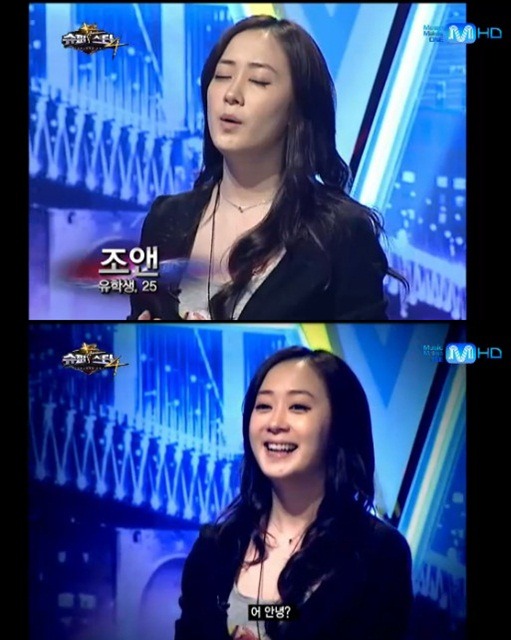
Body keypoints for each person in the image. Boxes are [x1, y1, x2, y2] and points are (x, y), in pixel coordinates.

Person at [128, 15, 406, 322]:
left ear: (297, 107)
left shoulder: (340, 232)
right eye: (222, 76)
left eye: (259, 81)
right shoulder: (165, 218)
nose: (231, 94)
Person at [174, 346, 414, 640]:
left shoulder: (377, 555)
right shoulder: (215, 549)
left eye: (298, 407)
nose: (275, 423)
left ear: (339, 424)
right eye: (264, 406)